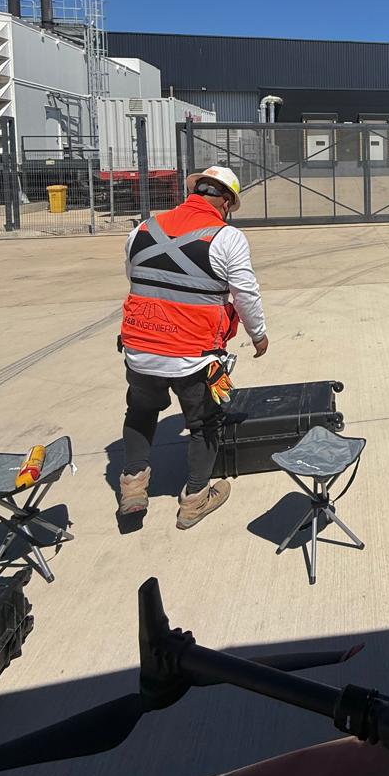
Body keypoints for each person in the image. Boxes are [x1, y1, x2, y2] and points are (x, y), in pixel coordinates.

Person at [117, 165, 269, 529]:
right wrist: (258, 334)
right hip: (193, 355)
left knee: (140, 412)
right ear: (227, 201)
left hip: (139, 347)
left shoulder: (142, 229)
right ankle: (195, 498)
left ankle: (133, 485)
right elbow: (245, 293)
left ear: (194, 192)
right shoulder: (227, 238)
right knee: (204, 424)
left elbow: (135, 277)